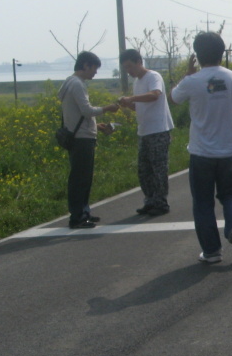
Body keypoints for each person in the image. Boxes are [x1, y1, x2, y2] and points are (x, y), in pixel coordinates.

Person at [171, 32, 232, 264]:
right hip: (229, 150)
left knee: (203, 203)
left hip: (201, 153)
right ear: (222, 52)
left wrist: (188, 73)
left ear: (197, 54)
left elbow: (174, 98)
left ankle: (211, 252)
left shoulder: (192, 81)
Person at [57, 51, 119, 229]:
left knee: (83, 177)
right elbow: (86, 110)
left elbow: (78, 113)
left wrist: (96, 125)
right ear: (85, 65)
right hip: (81, 139)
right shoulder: (77, 84)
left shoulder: (69, 82)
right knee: (80, 178)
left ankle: (83, 212)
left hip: (78, 135)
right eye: (94, 68)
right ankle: (77, 216)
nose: (95, 73)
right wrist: (107, 108)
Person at [118, 49, 175, 216]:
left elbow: (155, 94)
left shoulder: (153, 77)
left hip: (158, 129)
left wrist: (132, 99)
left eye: (130, 66)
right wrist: (128, 104)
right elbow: (140, 106)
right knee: (144, 169)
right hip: (144, 130)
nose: (129, 71)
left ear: (138, 62)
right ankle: (150, 200)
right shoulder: (137, 82)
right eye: (125, 68)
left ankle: (161, 202)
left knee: (158, 168)